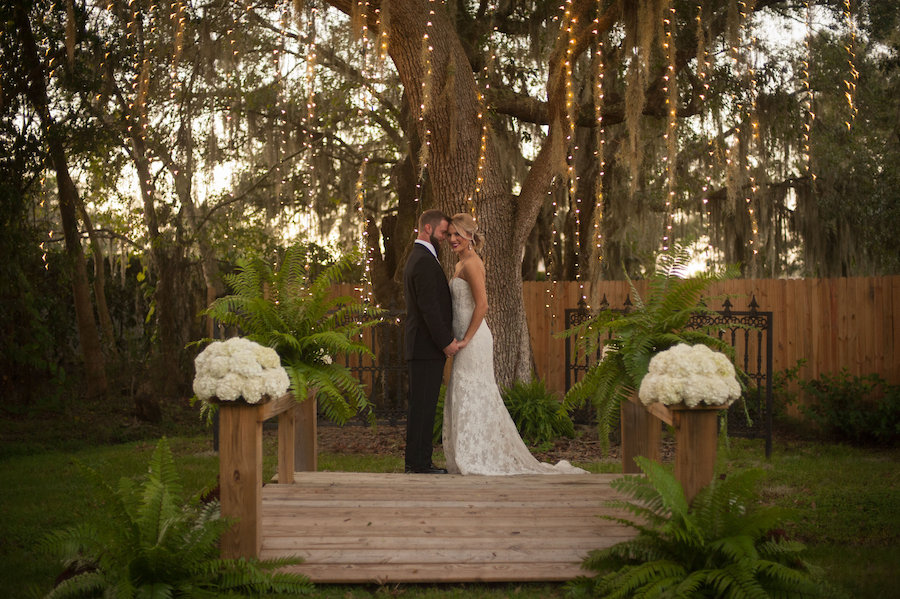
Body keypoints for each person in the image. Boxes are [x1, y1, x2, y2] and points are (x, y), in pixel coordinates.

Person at [443, 213, 586, 475]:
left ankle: (479, 455)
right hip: (465, 339)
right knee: (463, 393)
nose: (453, 239)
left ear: (470, 237)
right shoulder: (460, 263)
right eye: (450, 234)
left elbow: (483, 305)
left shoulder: (472, 264)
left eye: (458, 234)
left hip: (473, 340)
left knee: (474, 392)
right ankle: (471, 451)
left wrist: (466, 338)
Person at [403, 209, 460, 474]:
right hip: (426, 347)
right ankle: (419, 463)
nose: (445, 238)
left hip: (422, 348)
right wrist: (446, 341)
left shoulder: (422, 257)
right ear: (427, 228)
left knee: (421, 407)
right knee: (423, 408)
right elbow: (429, 309)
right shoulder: (424, 260)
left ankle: (416, 461)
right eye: (442, 233)